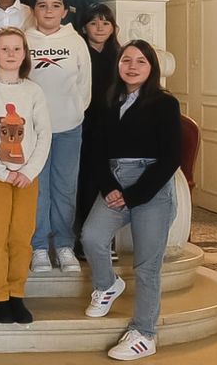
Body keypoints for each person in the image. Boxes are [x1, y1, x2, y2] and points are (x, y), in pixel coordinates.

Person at [81, 40, 181, 361]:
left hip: (151, 186)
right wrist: (109, 186)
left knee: (147, 266)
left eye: (141, 61)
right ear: (118, 65)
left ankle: (144, 333)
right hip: (115, 179)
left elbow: (171, 158)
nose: (132, 66)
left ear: (152, 67)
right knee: (91, 237)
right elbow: (97, 150)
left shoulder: (165, 103)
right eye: (126, 60)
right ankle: (107, 285)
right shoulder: (109, 100)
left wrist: (134, 196)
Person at [0, 27, 51, 325]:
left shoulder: (33, 91)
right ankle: (0, 298)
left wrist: (28, 171)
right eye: (4, 49)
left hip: (27, 177)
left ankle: (17, 293)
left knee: (21, 237)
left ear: (25, 53)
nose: (10, 54)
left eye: (17, 49)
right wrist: (0, 171)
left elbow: (44, 134)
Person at [25, 0, 91, 274]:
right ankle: (39, 247)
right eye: (42, 5)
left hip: (68, 128)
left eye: (55, 6)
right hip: (33, 131)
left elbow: (84, 86)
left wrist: (72, 113)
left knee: (64, 189)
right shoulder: (25, 39)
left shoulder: (75, 41)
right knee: (38, 191)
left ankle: (64, 245)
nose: (49, 11)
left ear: (65, 11)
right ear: (33, 10)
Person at [75, 4, 120, 256]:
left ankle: (106, 240)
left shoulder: (120, 56)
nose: (100, 27)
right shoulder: (78, 53)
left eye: (105, 22)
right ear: (84, 28)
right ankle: (83, 240)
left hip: (112, 127)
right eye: (94, 23)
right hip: (84, 125)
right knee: (86, 182)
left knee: (111, 182)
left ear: (113, 27)